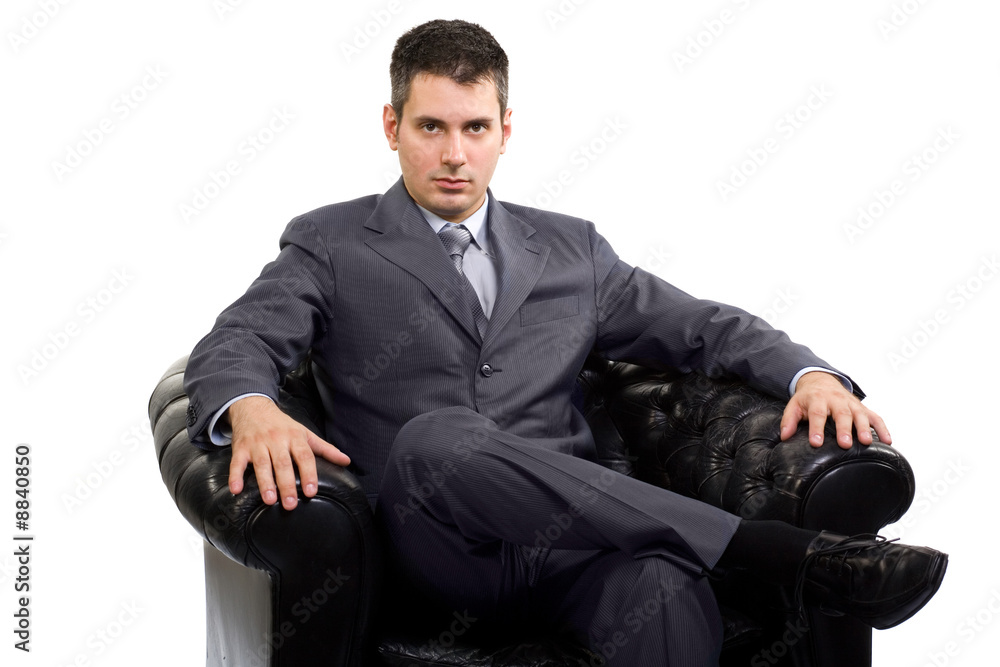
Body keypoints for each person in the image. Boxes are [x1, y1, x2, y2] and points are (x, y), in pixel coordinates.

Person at [183, 18, 947, 665]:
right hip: (432, 551)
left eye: (475, 128)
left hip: (571, 547)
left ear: (505, 131)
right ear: (392, 127)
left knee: (663, 581)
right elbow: (239, 337)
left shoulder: (570, 250)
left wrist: (812, 375)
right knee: (436, 437)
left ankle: (757, 556)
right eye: (431, 127)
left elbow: (704, 326)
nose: (454, 154)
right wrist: (250, 404)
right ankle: (778, 553)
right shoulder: (332, 243)